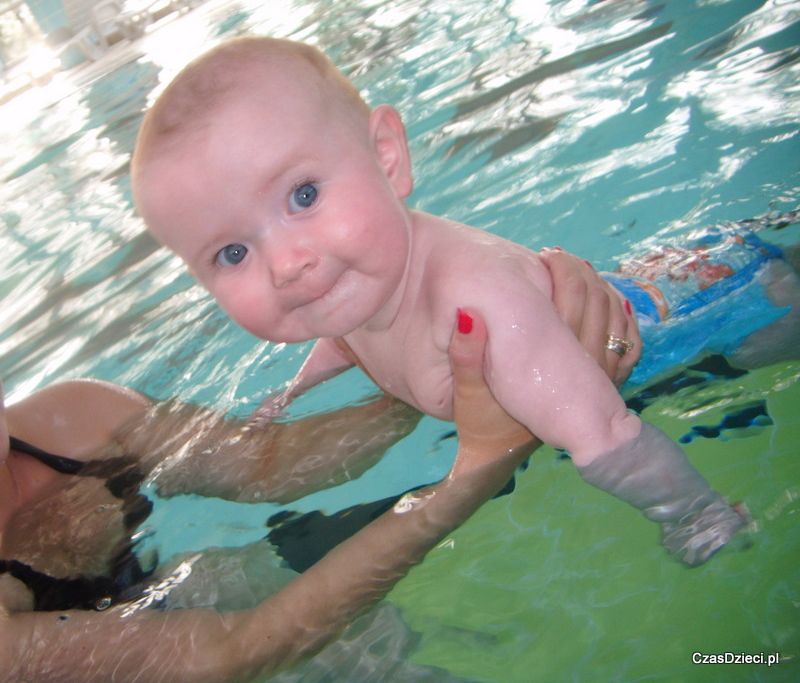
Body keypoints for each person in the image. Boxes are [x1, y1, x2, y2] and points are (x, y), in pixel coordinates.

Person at [131, 37, 797, 566]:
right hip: (658, 293)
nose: (287, 265)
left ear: (387, 156)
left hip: (723, 301)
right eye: (232, 253)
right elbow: (342, 340)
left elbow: (606, 435)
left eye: (303, 196)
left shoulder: (477, 303)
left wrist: (694, 515)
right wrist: (291, 395)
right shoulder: (350, 289)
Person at [0, 253, 633, 682]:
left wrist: (436, 368)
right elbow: (230, 651)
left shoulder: (71, 419)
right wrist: (484, 461)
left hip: (156, 597)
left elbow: (269, 464)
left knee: (228, 579)